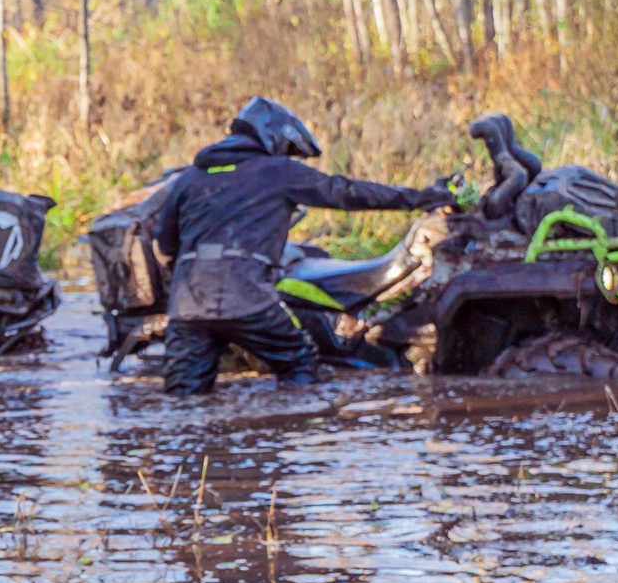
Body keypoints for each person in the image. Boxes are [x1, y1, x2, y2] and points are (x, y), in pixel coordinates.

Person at [152, 97, 450, 395]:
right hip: (247, 299)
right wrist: (421, 198)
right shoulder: (277, 171)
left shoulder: (188, 179)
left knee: (183, 396)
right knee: (299, 366)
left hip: (187, 305)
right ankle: (293, 434)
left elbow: (163, 246)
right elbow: (347, 193)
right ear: (272, 137)